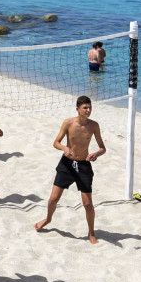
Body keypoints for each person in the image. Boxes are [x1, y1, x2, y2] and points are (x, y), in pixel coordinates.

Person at [35, 96, 107, 243]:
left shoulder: (94, 125)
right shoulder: (68, 123)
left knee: (87, 204)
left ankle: (91, 232)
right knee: (53, 199)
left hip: (83, 165)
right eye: (85, 108)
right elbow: (56, 142)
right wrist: (64, 148)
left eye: (90, 107)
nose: (88, 110)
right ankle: (48, 219)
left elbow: (102, 148)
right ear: (77, 109)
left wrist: (96, 154)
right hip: (67, 164)